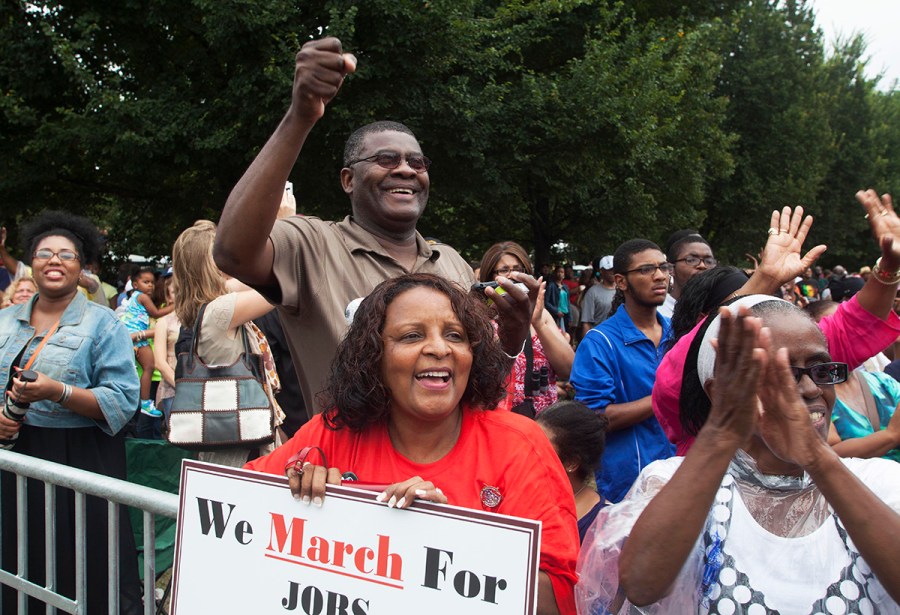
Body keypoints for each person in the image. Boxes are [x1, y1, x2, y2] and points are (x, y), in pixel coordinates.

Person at [213, 37, 534, 415]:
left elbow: (480, 386)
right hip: (351, 466)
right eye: (385, 158)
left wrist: (513, 335)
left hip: (445, 469)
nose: (405, 169)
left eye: (418, 163)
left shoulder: (452, 263)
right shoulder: (312, 246)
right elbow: (232, 252)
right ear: (349, 180)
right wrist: (300, 116)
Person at [245, 274, 579, 614]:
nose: (439, 348)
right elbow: (232, 520)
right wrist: (295, 499)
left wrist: (443, 540)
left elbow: (558, 598)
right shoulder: (330, 433)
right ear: (374, 355)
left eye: (455, 335)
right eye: (412, 336)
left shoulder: (521, 445)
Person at [578, 297, 900, 613]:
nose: (811, 389)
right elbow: (641, 585)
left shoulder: (881, 483)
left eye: (821, 370)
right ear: (719, 391)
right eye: (780, 374)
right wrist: (722, 431)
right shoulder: (674, 484)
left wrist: (816, 457)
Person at [653, 196, 900, 454]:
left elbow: (857, 323)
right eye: (747, 309)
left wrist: (890, 264)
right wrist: (766, 279)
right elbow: (689, 366)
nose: (809, 387)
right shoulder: (682, 378)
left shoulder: (797, 351)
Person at [0, 211, 142, 613]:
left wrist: (58, 391)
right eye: (44, 253)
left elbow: (121, 400)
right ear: (32, 264)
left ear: (82, 268)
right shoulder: (4, 321)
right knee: (24, 559)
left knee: (86, 564)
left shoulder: (103, 325)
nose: (54, 260)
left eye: (67, 254)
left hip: (82, 459)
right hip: (18, 461)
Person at [171, 220, 286, 467]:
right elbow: (281, 286)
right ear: (211, 264)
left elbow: (250, 279)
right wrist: (282, 226)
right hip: (242, 449)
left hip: (230, 439)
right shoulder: (220, 310)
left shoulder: (208, 307)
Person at [570, 239, 675, 503]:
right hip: (628, 489)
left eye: (663, 267)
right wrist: (664, 397)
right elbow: (595, 418)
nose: (660, 275)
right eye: (646, 269)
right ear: (621, 281)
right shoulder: (599, 342)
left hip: (680, 475)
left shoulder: (677, 334)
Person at [479, 242, 574, 414]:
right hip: (502, 419)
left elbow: (568, 369)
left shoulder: (541, 313)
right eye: (504, 270)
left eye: (518, 269)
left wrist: (537, 321)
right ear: (489, 276)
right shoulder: (482, 319)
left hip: (544, 419)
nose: (512, 275)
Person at [805, 300, 900, 462]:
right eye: (836, 329)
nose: (847, 335)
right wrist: (891, 435)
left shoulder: (883, 381)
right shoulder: (811, 393)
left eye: (851, 326)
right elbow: (828, 453)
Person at [536, 400, 608, 543]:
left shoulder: (603, 527)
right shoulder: (522, 497)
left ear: (571, 463)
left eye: (541, 446)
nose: (528, 450)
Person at [119, 266, 174, 421]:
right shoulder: (142, 297)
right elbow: (156, 314)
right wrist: (175, 306)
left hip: (134, 337)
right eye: (146, 282)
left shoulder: (135, 297)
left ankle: (143, 402)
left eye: (152, 282)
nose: (150, 285)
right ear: (135, 284)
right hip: (138, 339)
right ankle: (145, 403)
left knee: (145, 369)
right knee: (149, 367)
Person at [658, 229, 716, 318]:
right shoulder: (657, 314)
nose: (702, 265)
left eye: (708, 261)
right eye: (691, 260)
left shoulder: (719, 312)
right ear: (671, 268)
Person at [579, 255, 615, 338]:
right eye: (609, 269)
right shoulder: (592, 293)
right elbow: (586, 322)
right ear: (601, 271)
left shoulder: (624, 290)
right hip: (600, 338)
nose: (612, 272)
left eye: (614, 269)